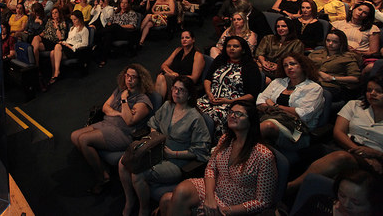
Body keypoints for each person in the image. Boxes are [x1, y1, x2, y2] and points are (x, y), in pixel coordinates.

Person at [159, 100, 277, 216]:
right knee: (173, 195)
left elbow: (263, 202)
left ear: (250, 121)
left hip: (235, 204)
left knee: (168, 201)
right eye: (231, 112)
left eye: (239, 114)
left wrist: (227, 211)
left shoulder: (264, 155)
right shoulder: (225, 139)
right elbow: (210, 168)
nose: (232, 115)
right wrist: (209, 198)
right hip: (215, 189)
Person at [118, 77, 211, 216]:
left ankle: (143, 209)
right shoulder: (168, 106)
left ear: (189, 95)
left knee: (138, 174)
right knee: (123, 162)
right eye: (174, 88)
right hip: (157, 151)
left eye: (181, 90)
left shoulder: (195, 118)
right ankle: (130, 200)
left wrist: (174, 153)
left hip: (176, 161)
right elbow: (153, 122)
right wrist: (156, 138)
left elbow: (201, 150)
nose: (176, 92)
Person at [287, 75, 383, 194]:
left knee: (341, 158)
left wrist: (376, 154)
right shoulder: (355, 105)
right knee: (304, 152)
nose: (372, 94)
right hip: (347, 145)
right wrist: (359, 151)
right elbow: (338, 132)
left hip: (375, 159)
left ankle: (290, 188)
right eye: (369, 90)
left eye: (379, 91)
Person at [71, 64, 154, 195]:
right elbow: (105, 107)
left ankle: (102, 178)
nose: (129, 79)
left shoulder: (143, 100)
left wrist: (124, 100)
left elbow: (129, 121)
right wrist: (119, 113)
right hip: (107, 124)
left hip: (123, 133)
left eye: (133, 77)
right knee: (74, 135)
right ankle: (103, 169)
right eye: (127, 76)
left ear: (140, 79)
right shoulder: (120, 89)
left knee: (83, 139)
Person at [198, 37, 262, 140]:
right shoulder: (220, 60)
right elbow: (207, 79)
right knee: (192, 108)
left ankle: (210, 143)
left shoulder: (250, 67)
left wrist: (228, 101)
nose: (231, 48)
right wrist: (208, 93)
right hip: (210, 98)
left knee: (214, 115)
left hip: (232, 104)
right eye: (229, 46)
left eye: (235, 46)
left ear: (243, 50)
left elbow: (252, 95)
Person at [257, 52, 325, 150]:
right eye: (285, 65)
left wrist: (274, 106)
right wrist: (287, 110)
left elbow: (303, 115)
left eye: (293, 64)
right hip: (268, 118)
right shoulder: (278, 82)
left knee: (268, 125)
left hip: (297, 131)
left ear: (302, 65)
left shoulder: (314, 88)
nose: (289, 67)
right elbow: (260, 100)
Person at [291, 169, 382, 216]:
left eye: (356, 203)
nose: (346, 204)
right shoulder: (319, 203)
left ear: (372, 204)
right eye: (342, 195)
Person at [308, 29, 362, 101]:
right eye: (328, 40)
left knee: (314, 93)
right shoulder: (316, 53)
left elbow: (355, 78)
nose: (330, 44)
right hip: (311, 81)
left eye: (335, 42)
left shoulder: (348, 57)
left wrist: (332, 78)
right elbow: (305, 66)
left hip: (331, 86)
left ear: (341, 43)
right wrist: (318, 73)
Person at [155, 30, 206, 100]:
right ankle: (160, 104)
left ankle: (160, 105)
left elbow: (194, 78)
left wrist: (178, 77)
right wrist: (172, 73)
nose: (184, 40)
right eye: (182, 38)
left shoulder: (198, 56)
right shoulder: (178, 50)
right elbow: (164, 65)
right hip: (173, 78)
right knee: (160, 77)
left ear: (193, 40)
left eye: (187, 38)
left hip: (185, 83)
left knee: (161, 78)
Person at [332, 2, 380, 74]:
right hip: (337, 51)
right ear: (353, 9)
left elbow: (374, 51)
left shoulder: (372, 29)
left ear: (368, 16)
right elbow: (329, 40)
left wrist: (356, 52)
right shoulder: (338, 24)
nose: (360, 13)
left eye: (365, 13)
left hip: (357, 55)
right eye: (359, 9)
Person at [49, 10, 89, 84]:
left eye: (75, 19)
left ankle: (57, 73)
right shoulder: (72, 28)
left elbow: (85, 44)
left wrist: (71, 47)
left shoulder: (84, 30)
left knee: (57, 46)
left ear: (79, 19)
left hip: (74, 50)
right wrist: (64, 43)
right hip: (67, 46)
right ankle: (54, 73)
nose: (73, 21)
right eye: (72, 19)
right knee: (52, 53)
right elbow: (68, 40)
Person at [97, 0, 139, 68]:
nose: (123, 4)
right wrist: (111, 25)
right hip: (114, 32)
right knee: (108, 35)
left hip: (125, 33)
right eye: (122, 3)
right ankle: (103, 58)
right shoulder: (116, 12)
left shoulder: (132, 13)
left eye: (125, 3)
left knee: (115, 26)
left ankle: (97, 34)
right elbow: (109, 22)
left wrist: (120, 26)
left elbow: (132, 26)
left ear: (128, 4)